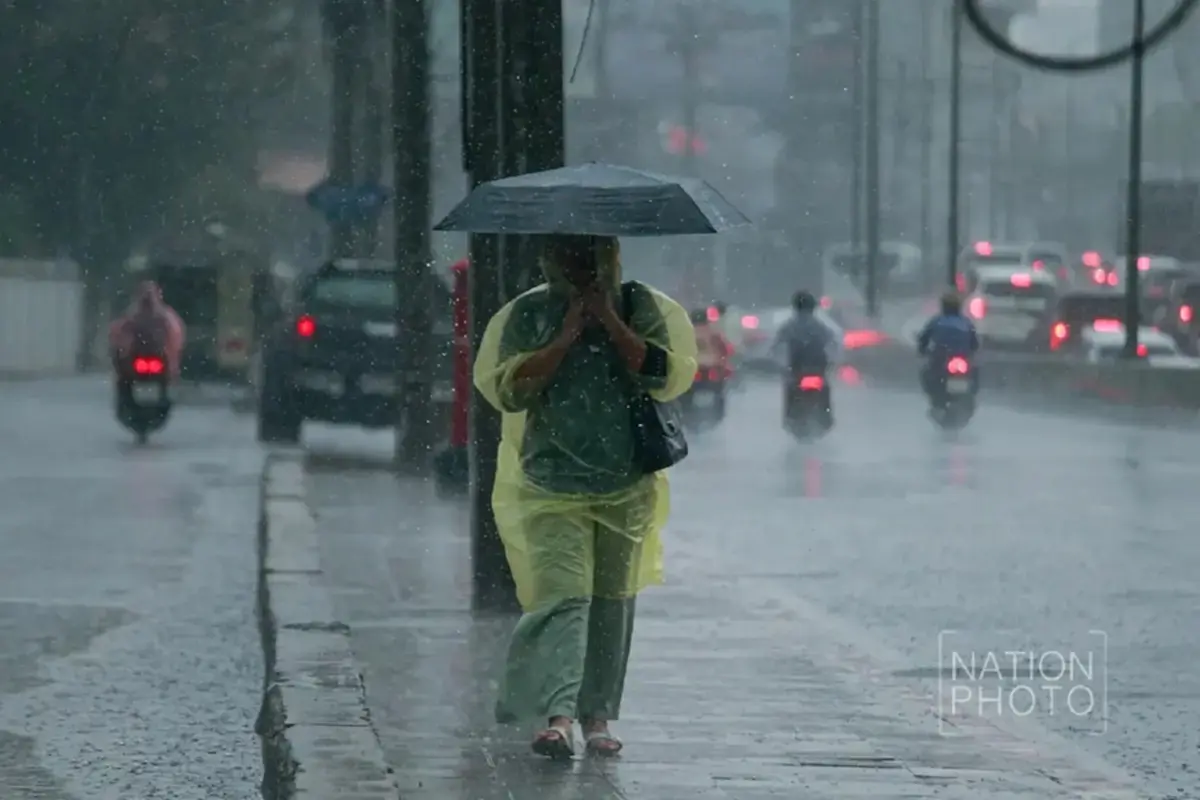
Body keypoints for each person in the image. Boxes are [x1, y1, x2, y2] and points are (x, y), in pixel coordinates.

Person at [473, 234, 697, 759]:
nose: (581, 267)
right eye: (569, 255)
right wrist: (567, 334)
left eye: (592, 256)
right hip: (551, 482)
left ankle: (598, 716)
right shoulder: (527, 314)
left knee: (611, 603)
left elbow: (663, 375)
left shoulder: (641, 306)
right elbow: (508, 389)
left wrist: (612, 324)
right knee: (562, 597)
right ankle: (557, 717)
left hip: (625, 483)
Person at [773, 290, 837, 414]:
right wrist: (832, 362)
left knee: (790, 388)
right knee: (824, 387)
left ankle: (792, 415)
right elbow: (832, 343)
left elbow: (777, 346)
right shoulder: (820, 326)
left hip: (797, 368)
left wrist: (779, 364)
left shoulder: (789, 326)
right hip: (818, 367)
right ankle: (826, 413)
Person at [109, 281, 186, 381]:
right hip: (141, 355)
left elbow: (175, 338)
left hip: (155, 356)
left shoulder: (163, 317)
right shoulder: (164, 316)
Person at [916, 290, 979, 396]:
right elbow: (974, 343)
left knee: (927, 372)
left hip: (941, 357)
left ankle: (933, 394)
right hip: (961, 357)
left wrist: (922, 350)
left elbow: (924, 338)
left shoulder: (937, 321)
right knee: (975, 373)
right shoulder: (966, 322)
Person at [687, 307, 733, 412]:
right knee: (719, 391)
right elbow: (725, 349)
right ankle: (719, 409)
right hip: (713, 367)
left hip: (691, 367)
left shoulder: (686, 332)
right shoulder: (714, 332)